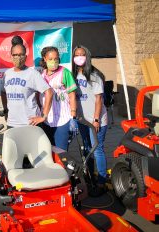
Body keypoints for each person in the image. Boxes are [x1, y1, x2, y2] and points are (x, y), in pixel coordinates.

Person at [72, 45, 108, 196]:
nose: (79, 57)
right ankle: (89, 175)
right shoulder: (73, 76)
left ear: (87, 57)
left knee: (97, 149)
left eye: (82, 54)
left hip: (96, 120)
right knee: (87, 148)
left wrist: (96, 120)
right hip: (82, 120)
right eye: (77, 54)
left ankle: (101, 181)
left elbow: (98, 100)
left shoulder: (94, 76)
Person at [1, 35, 53, 128]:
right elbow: (3, 92)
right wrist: (5, 110)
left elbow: (49, 92)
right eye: (15, 55)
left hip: (30, 124)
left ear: (25, 56)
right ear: (11, 56)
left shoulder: (32, 74)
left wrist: (43, 116)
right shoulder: (7, 74)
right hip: (12, 124)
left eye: (21, 54)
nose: (18, 57)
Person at [39, 46, 78, 151]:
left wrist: (73, 118)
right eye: (50, 59)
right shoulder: (42, 75)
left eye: (56, 59)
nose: (54, 61)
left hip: (62, 120)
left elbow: (72, 96)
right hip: (47, 121)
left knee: (61, 152)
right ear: (44, 59)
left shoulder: (65, 72)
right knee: (49, 152)